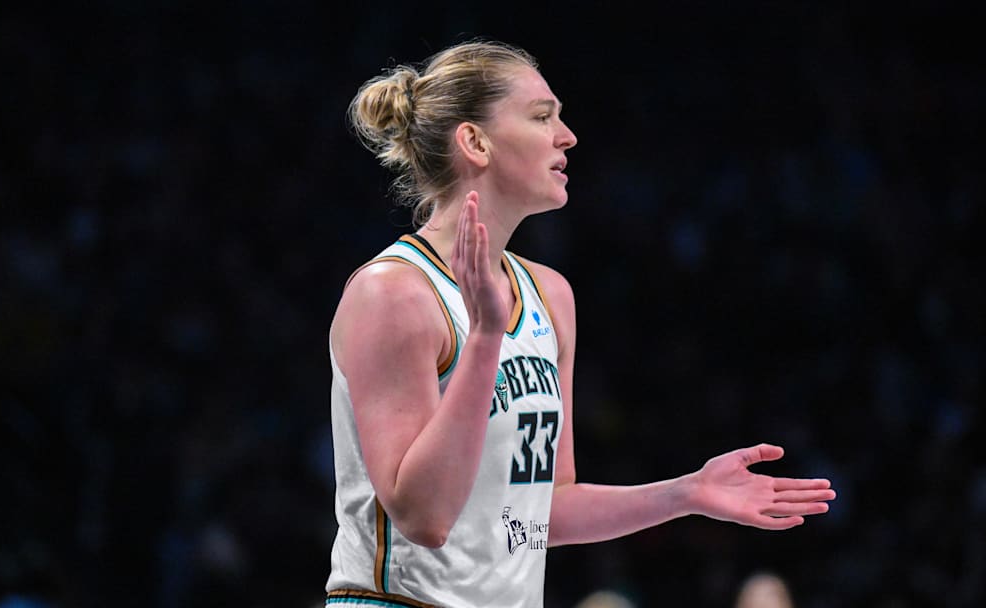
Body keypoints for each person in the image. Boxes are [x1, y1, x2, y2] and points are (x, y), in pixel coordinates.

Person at [325, 39, 836, 608]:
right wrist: (486, 338)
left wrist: (685, 493)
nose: (567, 136)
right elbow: (425, 518)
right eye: (542, 117)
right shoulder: (393, 294)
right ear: (475, 142)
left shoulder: (551, 296)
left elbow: (542, 513)